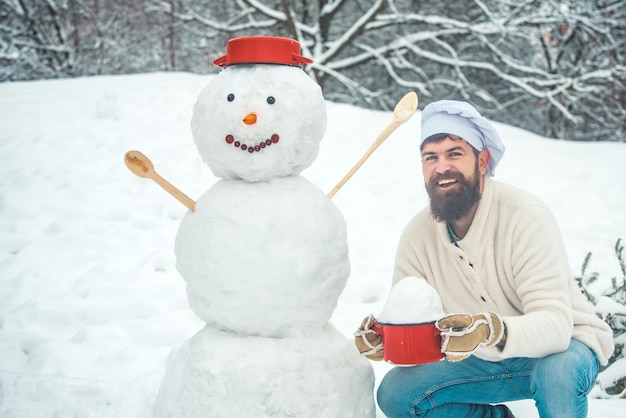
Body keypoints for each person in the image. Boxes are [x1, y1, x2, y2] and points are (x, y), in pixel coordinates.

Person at [354, 100, 614, 418]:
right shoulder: (417, 236)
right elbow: (420, 331)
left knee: (556, 374)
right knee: (397, 393)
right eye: (430, 157)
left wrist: (491, 330)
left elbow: (556, 326)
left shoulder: (524, 217)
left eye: (455, 154)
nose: (441, 167)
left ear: (481, 160)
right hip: (483, 360)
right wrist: (390, 339)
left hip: (562, 351)